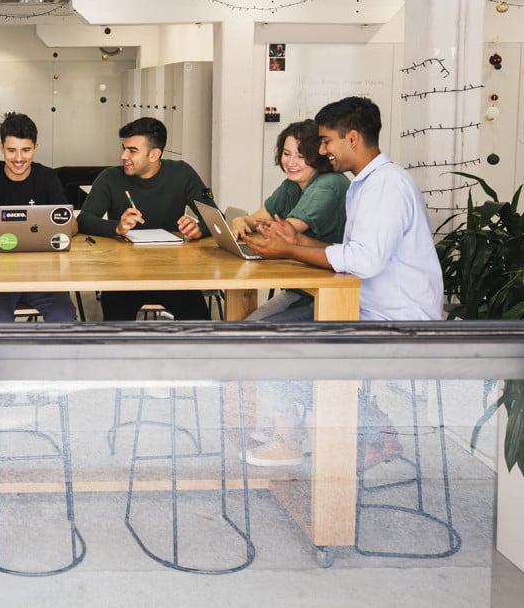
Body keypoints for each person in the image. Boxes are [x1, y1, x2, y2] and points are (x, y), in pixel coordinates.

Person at [244, 97, 444, 466]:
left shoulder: (386, 185)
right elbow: (350, 250)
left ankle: (351, 431)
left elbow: (363, 261)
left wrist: (289, 252)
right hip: (364, 307)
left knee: (269, 340)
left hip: (393, 320)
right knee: (264, 331)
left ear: (351, 138)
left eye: (325, 142)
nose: (322, 151)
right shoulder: (365, 184)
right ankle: (363, 427)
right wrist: (296, 239)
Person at [231, 119, 349, 467]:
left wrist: (261, 230)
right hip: (304, 287)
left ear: (320, 156)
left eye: (302, 155)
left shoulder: (328, 185)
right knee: (245, 330)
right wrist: (240, 223)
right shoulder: (290, 185)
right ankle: (275, 422)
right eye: (286, 153)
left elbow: (285, 237)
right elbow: (252, 220)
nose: (292, 162)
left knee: (263, 338)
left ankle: (289, 439)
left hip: (333, 293)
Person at [77, 116, 217, 320]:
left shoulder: (184, 173)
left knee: (200, 321)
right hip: (124, 277)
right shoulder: (109, 177)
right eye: (124, 148)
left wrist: (199, 228)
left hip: (174, 275)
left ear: (154, 154)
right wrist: (117, 227)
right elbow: (84, 219)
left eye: (132, 151)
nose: (123, 155)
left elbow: (215, 215)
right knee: (116, 327)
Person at [0, 111, 77, 322]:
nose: (18, 158)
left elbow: (71, 223)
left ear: (36, 147)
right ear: (1, 147)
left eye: (26, 150)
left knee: (64, 317)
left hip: (43, 275)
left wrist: (50, 237)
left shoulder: (47, 177)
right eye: (11, 150)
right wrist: (12, 238)